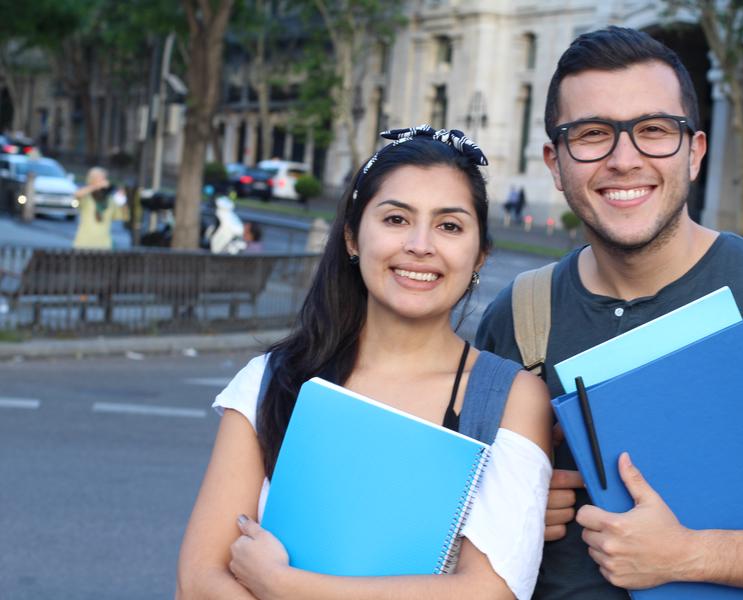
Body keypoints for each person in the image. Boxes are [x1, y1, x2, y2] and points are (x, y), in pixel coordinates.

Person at [476, 26, 743, 599]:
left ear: (694, 152)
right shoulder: (517, 314)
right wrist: (516, 503)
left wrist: (694, 555)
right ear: (555, 162)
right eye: (593, 134)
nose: (624, 159)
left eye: (653, 131)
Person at [177, 125, 553, 599]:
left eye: (449, 225)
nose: (420, 244)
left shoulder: (509, 399)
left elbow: (488, 593)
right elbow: (197, 583)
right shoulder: (273, 380)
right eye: (396, 219)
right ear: (353, 238)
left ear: (480, 255)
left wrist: (283, 585)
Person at [73, 167, 117, 249]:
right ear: (92, 179)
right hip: (84, 244)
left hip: (104, 244)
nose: (103, 181)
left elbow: (118, 216)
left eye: (104, 178)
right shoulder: (87, 196)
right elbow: (76, 196)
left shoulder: (109, 198)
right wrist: (95, 186)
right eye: (100, 178)